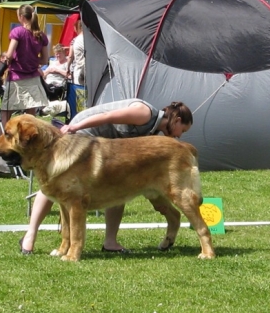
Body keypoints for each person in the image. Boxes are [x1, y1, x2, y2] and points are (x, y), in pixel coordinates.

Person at [19, 99, 194, 255]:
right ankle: (31, 235)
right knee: (56, 182)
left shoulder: (154, 130)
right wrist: (75, 127)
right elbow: (108, 116)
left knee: (118, 186)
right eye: (183, 130)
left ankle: (110, 241)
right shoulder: (145, 113)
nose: (179, 135)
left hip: (105, 145)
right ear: (177, 120)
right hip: (85, 133)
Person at [0, 4, 50, 127]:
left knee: (7, 110)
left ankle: (3, 136)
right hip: (33, 77)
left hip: (17, 77)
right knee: (31, 112)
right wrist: (32, 61)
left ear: (21, 17)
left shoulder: (17, 32)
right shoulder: (41, 36)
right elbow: (44, 59)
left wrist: (4, 55)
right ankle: (29, 140)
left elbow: (10, 55)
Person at [66, 19, 85, 85]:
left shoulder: (75, 40)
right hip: (90, 70)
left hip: (79, 70)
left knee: (80, 93)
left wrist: (67, 67)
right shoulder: (91, 40)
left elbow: (70, 56)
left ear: (78, 28)